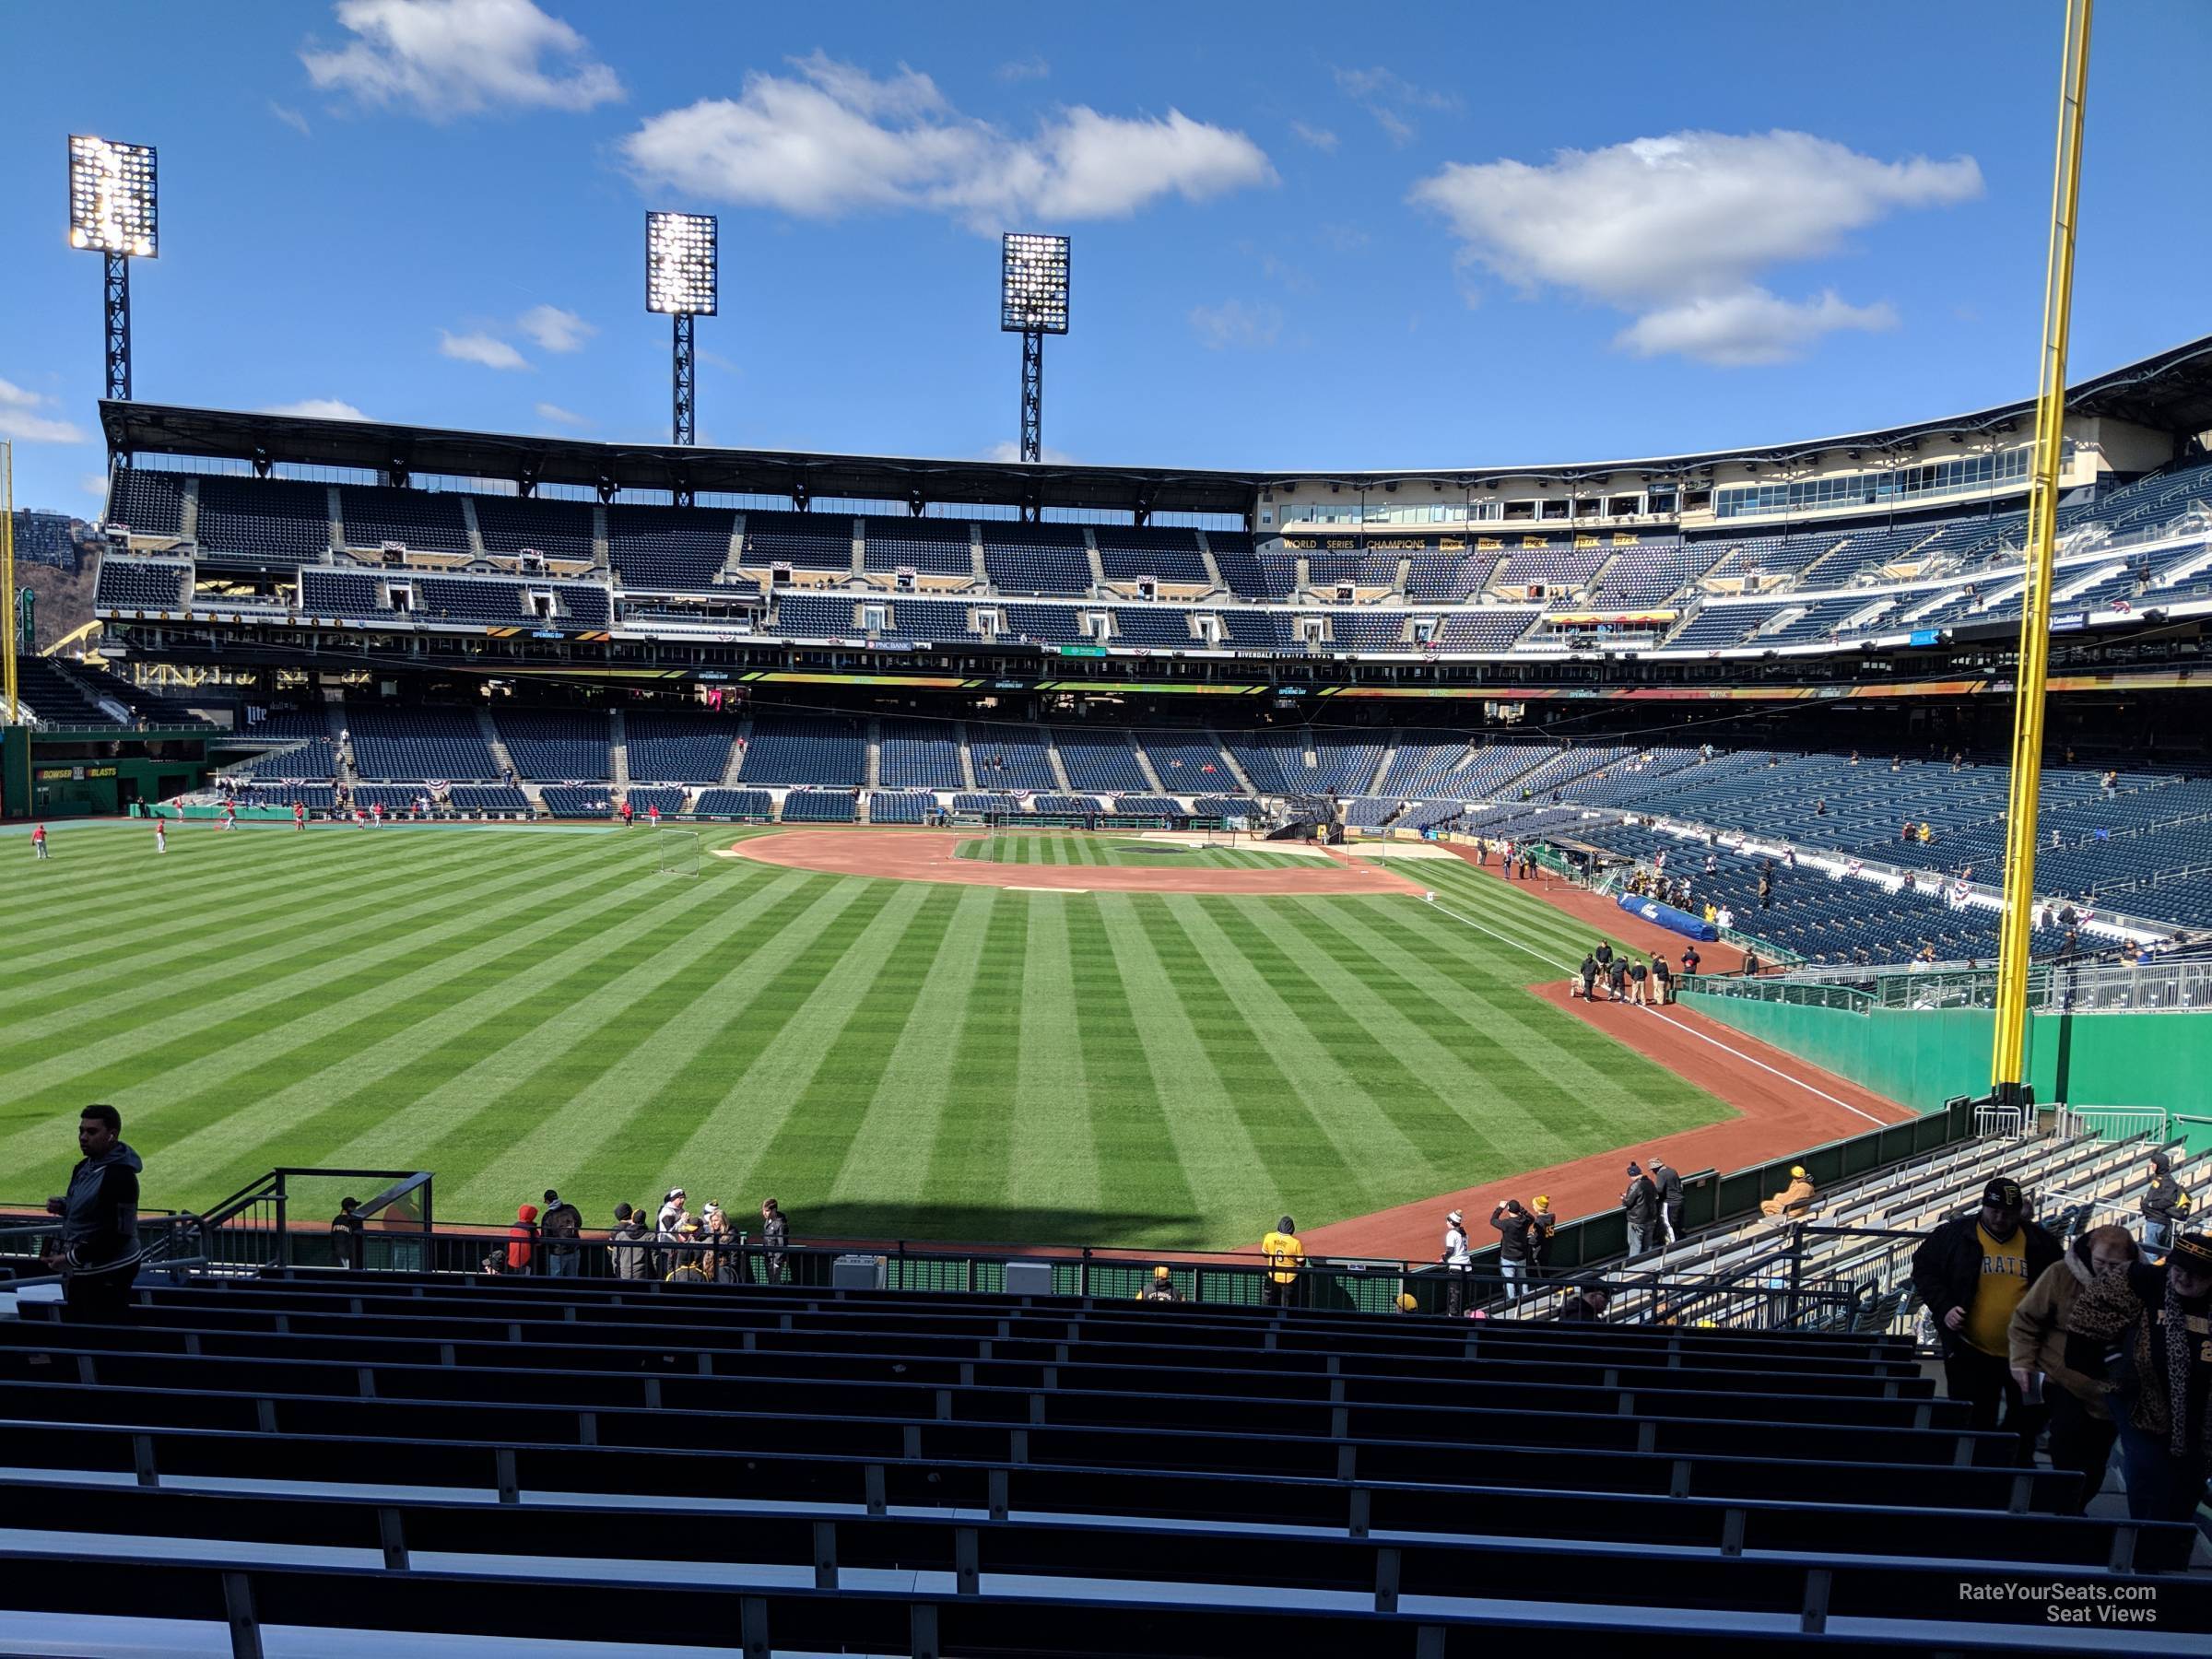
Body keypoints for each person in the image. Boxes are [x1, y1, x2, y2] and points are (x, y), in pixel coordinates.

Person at [2065, 1231, 2212, 1522]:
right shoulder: (2143, 1281)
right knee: (2148, 1472)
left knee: (2189, 1481)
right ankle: (2143, 1545)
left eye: (2194, 1275)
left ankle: (2170, 1546)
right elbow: (2088, 1320)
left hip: (2201, 1413)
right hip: (2140, 1400)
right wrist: (2116, 1367)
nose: (2182, 1279)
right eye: (2178, 1270)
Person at [1911, 1177, 2061, 1456]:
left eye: (2008, 1213)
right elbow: (1923, 1269)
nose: (2001, 1218)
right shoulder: (1954, 1235)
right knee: (1974, 1423)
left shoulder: (2040, 1242)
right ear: (1983, 1206)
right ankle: (1977, 1480)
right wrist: (1944, 1306)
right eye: (1994, 1211)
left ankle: (2015, 1477)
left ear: (2019, 1212)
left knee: (2027, 1420)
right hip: (1970, 1350)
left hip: (2028, 1354)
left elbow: (2060, 1286)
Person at [2008, 1224, 2138, 1514]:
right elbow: (2026, 1320)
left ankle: (2078, 1504)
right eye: (2101, 1262)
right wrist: (2022, 1361)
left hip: (2110, 1386)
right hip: (2061, 1374)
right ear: (2090, 1251)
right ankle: (2065, 1509)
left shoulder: (2142, 1283)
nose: (2105, 1270)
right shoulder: (2060, 1273)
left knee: (2096, 1457)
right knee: (2066, 1441)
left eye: (2114, 1265)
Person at [42, 1105, 144, 1324]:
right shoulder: (84, 1167)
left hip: (110, 1271)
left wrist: (70, 1258)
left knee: (97, 1334)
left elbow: (118, 1234)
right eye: (81, 1131)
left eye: (91, 1132)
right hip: (84, 1268)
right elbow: (91, 1208)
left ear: (112, 1135)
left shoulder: (121, 1177)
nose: (83, 1137)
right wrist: (64, 1206)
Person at [2143, 1155, 2191, 1254]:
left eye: (2153, 1163)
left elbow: (2169, 1200)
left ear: (2159, 1165)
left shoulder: (2167, 1180)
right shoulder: (2160, 1178)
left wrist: (2151, 1205)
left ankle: (2153, 1270)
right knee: (2157, 1252)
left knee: (2151, 1253)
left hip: (2157, 1222)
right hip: (2154, 1221)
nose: (2150, 1165)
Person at [1490, 1199, 1537, 1290]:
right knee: (1523, 1280)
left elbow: (1493, 1220)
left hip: (1508, 1258)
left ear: (1508, 1210)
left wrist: (1500, 1208)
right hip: (1521, 1256)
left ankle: (1511, 1303)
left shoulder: (1506, 1223)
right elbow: (1532, 1218)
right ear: (1518, 1210)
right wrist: (1522, 1210)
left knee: (1509, 1282)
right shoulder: (1525, 1221)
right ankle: (1526, 1300)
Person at [1260, 1215, 1304, 1308]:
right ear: (1292, 1229)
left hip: (1272, 1275)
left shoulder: (1269, 1237)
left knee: (1267, 1300)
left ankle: (1265, 1318)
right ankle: (1284, 1321)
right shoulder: (1295, 1243)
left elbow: (1264, 1254)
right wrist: (1293, 1260)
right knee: (1286, 1304)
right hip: (1289, 1278)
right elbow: (1302, 1262)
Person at [538, 1188, 582, 1277]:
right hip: (574, 1249)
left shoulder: (548, 1216)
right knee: (573, 1278)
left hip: (557, 1253)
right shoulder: (571, 1208)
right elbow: (579, 1222)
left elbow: (545, 1237)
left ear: (547, 1201)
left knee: (556, 1280)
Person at [1620, 1163, 1660, 1255]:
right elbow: (1655, 1195)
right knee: (1648, 1244)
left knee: (1635, 1245)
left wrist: (1623, 1199)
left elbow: (1628, 1202)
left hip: (1637, 1220)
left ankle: (1634, 1266)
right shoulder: (1650, 1182)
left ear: (1632, 1175)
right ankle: (1649, 1264)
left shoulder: (1635, 1185)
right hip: (1651, 1218)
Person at [608, 1203, 653, 1282]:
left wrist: (617, 1272)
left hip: (624, 1273)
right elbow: (654, 1258)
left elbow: (614, 1256)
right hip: (643, 1275)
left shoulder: (618, 1233)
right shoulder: (649, 1235)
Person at [1441, 1208, 1471, 1316]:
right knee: (1464, 1297)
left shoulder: (1452, 1234)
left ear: (1452, 1222)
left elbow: (1450, 1251)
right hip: (1467, 1268)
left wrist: (1444, 1259)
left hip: (1456, 1269)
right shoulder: (1464, 1233)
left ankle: (1453, 1320)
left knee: (1454, 1297)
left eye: (1448, 1221)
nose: (1446, 1223)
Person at [1648, 1157, 1684, 1244]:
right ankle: (1682, 1241)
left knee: (1668, 1225)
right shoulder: (1672, 1171)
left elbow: (1659, 1189)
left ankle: (1673, 1245)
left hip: (1670, 1203)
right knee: (1678, 1224)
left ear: (1655, 1168)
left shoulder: (1661, 1174)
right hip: (1680, 1201)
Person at [330, 1196, 365, 1271]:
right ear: (350, 1208)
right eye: (354, 1206)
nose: (355, 1208)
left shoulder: (337, 1219)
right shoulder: (355, 1220)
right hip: (349, 1254)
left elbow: (333, 1235)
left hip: (336, 1253)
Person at [759, 1196, 789, 1284]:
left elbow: (782, 1244)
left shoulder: (780, 1224)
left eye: (767, 1211)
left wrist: (777, 1263)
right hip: (768, 1258)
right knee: (771, 1282)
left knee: (774, 1284)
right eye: (763, 1210)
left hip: (775, 1261)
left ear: (774, 1210)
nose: (764, 1213)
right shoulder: (769, 1220)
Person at [506, 1203, 540, 1275]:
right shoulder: (532, 1229)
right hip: (526, 1261)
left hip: (512, 1259)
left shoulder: (515, 1227)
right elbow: (538, 1243)